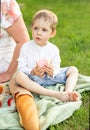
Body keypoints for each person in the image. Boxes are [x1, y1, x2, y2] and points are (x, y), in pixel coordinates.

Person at [15, 9, 80, 102]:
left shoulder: (53, 49)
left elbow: (57, 66)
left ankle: (68, 93)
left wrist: (52, 71)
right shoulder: (26, 47)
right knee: (18, 76)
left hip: (51, 78)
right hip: (34, 80)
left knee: (73, 69)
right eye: (35, 28)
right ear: (32, 28)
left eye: (44, 30)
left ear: (52, 33)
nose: (38, 32)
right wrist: (32, 71)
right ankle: (55, 94)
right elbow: (21, 67)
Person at [0, 0, 40, 130]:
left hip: (7, 63)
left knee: (18, 85)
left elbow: (23, 41)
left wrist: (8, 73)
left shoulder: (5, 4)